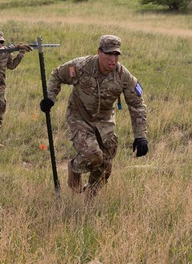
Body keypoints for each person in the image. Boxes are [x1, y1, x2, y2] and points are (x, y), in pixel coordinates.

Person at [39, 35, 149, 196]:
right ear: (99, 52)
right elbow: (57, 75)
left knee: (105, 165)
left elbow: (137, 105)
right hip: (79, 116)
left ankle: (90, 196)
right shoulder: (81, 67)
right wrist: (50, 97)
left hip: (104, 120)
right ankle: (75, 168)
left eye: (116, 55)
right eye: (109, 54)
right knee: (93, 155)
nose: (113, 59)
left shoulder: (123, 76)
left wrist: (141, 136)